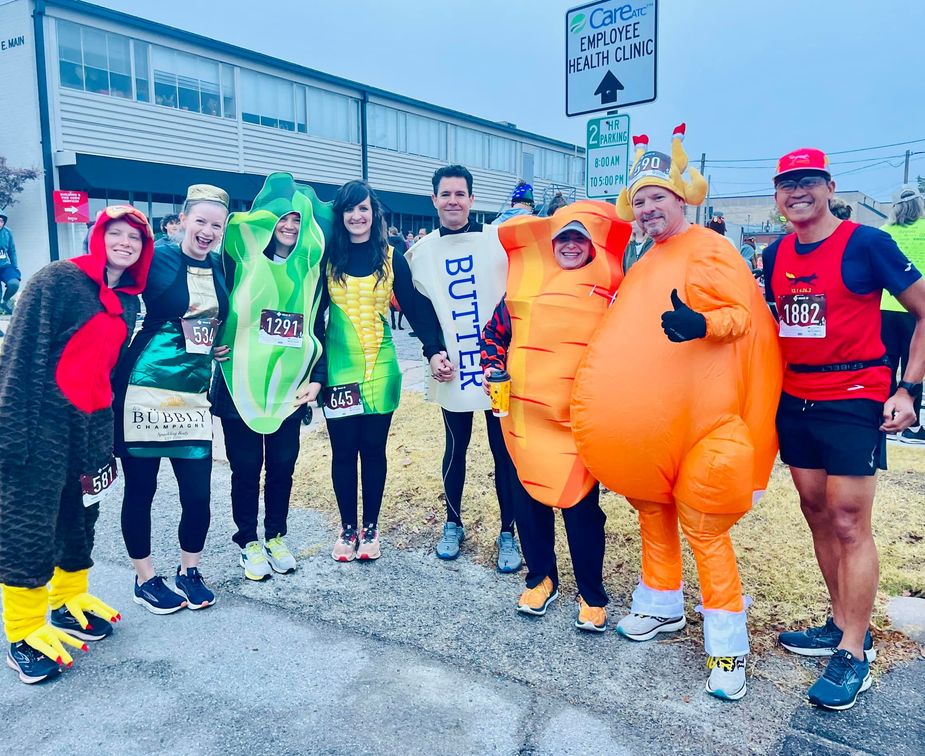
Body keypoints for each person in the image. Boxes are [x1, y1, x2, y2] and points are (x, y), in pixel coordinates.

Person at [571, 124, 783, 701]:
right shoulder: (646, 259)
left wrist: (700, 324)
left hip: (707, 424)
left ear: (681, 199)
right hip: (658, 428)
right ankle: (662, 603)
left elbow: (740, 316)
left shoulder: (709, 247)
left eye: (657, 198)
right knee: (653, 510)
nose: (647, 209)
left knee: (705, 525)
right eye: (639, 201)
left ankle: (727, 646)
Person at [762, 149, 925, 710]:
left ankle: (854, 652)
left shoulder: (868, 243)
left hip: (855, 396)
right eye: (787, 184)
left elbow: (924, 310)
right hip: (796, 398)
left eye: (808, 181)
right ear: (777, 195)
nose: (797, 192)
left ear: (830, 187)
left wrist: (909, 389)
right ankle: (838, 622)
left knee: (850, 520)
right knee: (816, 511)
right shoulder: (775, 252)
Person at [0, 205, 153, 684]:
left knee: (82, 513)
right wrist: (11, 429)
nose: (125, 243)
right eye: (116, 233)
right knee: (30, 521)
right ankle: (23, 631)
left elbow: (111, 367)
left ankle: (68, 601)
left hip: (93, 421)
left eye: (135, 237)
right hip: (43, 419)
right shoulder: (57, 280)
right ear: (98, 235)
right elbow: (20, 353)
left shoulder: (129, 300)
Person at [482, 203, 630, 630]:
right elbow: (493, 335)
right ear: (551, 244)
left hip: (577, 420)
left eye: (579, 238)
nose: (570, 245)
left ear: (591, 245)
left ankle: (591, 593)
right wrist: (493, 368)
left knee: (582, 510)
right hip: (525, 416)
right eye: (563, 237)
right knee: (528, 500)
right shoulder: (523, 291)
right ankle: (540, 579)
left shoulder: (610, 293)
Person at [115, 184, 231, 614]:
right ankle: (145, 578)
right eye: (200, 221)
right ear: (182, 220)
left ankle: (189, 570)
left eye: (216, 225)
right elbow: (114, 288)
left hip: (193, 392)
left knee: (198, 494)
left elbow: (212, 320)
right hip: (143, 386)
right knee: (141, 489)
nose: (207, 231)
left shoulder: (221, 265)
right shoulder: (156, 257)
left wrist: (216, 344)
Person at [211, 173, 330, 580]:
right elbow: (210, 308)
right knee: (245, 467)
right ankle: (247, 540)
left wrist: (318, 377)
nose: (290, 227)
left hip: (287, 387)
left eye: (297, 220)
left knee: (282, 465)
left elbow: (318, 328)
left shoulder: (311, 272)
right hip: (240, 384)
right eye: (283, 219)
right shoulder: (237, 261)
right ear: (267, 220)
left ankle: (276, 535)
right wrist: (212, 343)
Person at [405, 164, 522, 572]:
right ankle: (452, 523)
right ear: (434, 199)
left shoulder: (497, 241)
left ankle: (508, 532)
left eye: (460, 194)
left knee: (504, 453)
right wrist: (432, 351)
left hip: (495, 368)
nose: (452, 201)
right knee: (455, 448)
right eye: (445, 194)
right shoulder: (421, 253)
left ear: (472, 199)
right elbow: (421, 311)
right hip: (452, 368)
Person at [323, 180, 425, 562]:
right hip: (338, 371)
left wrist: (435, 349)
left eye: (363, 208)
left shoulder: (392, 257)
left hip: (380, 370)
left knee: (373, 451)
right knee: (342, 452)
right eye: (350, 209)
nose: (357, 216)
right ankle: (347, 527)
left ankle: (370, 527)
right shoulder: (326, 258)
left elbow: (415, 308)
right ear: (341, 215)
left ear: (373, 212)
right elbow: (310, 313)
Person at [880, 184, 925, 443]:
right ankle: (912, 426)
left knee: (884, 365)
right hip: (918, 308)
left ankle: (884, 416)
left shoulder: (884, 232)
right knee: (914, 366)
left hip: (885, 306)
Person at [0, 213, 20, 315]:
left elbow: (12, 251)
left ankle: (4, 301)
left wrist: (14, 266)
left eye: (1, 221)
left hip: (5, 266)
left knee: (14, 283)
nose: (0, 223)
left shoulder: (7, 232)